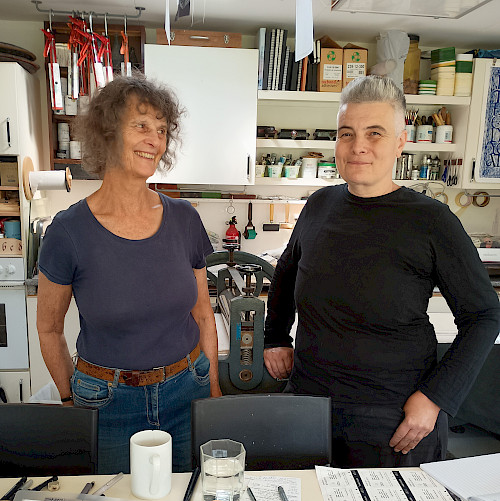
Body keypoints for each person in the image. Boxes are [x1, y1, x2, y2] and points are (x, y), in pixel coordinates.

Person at [264, 75, 500, 467]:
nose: (358, 146)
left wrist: (436, 397)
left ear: (400, 142)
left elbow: (484, 314)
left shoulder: (432, 221)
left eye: (375, 133)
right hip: (308, 402)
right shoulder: (319, 205)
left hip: (392, 417)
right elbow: (286, 273)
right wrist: (275, 337)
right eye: (347, 133)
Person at [37, 74, 221, 474]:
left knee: (190, 492)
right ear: (107, 132)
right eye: (141, 125)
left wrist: (212, 390)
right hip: (107, 402)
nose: (154, 139)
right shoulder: (68, 232)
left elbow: (204, 315)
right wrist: (69, 400)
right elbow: (49, 329)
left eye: (162, 129)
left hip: (187, 390)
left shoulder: (184, 218)